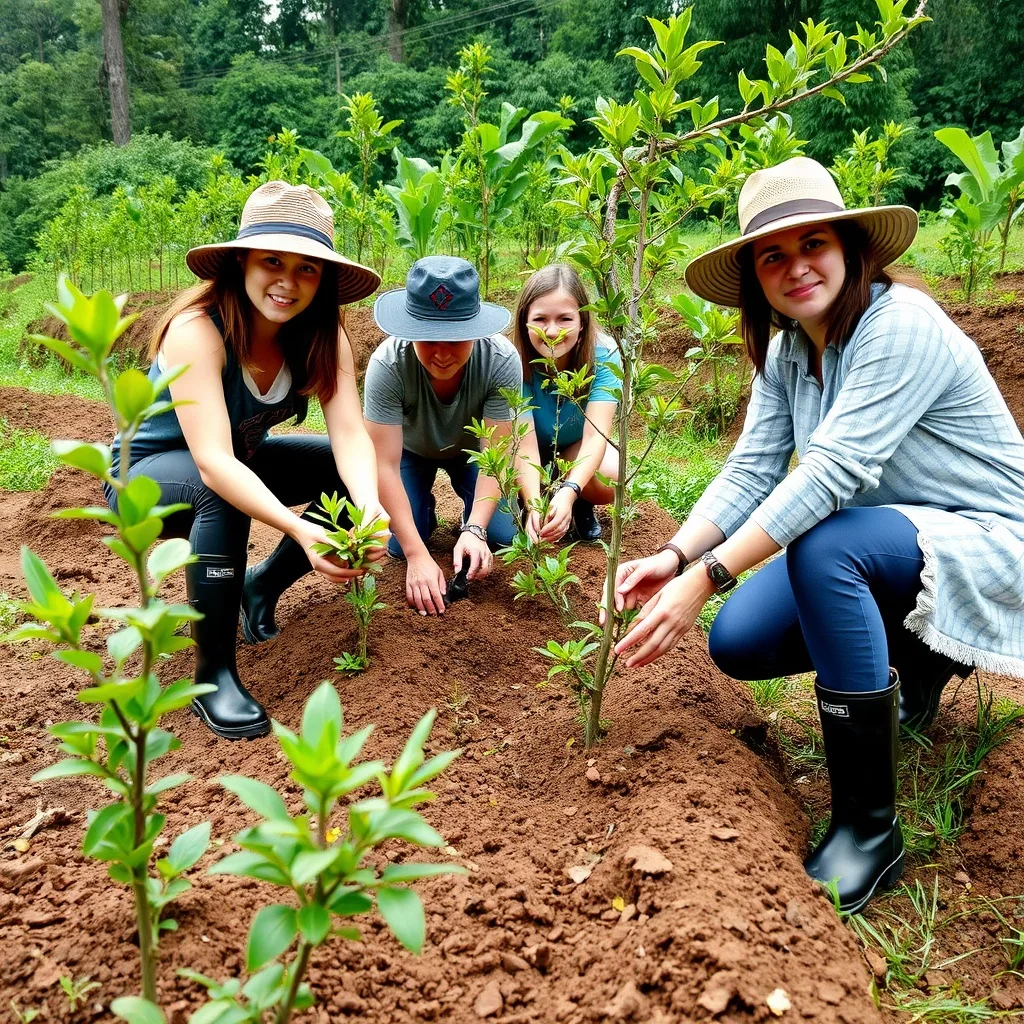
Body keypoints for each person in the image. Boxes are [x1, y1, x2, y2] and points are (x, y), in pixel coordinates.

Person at [608, 157, 1024, 913]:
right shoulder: (792, 350)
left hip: (992, 542)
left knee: (827, 547)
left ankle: (869, 828)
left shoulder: (900, 325)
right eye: (774, 255)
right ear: (756, 277)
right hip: (899, 542)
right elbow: (751, 468)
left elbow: (829, 475)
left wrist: (707, 578)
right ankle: (919, 660)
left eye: (814, 246)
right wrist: (676, 556)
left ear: (851, 250)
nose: (796, 267)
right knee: (739, 641)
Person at [103, 181, 389, 741]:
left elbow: (352, 435)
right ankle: (213, 678)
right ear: (241, 263)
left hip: (238, 459)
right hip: (147, 475)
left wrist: (371, 508)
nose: (288, 282)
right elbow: (213, 463)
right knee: (220, 491)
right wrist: (297, 529)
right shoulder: (198, 330)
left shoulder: (321, 333)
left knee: (341, 472)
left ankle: (260, 587)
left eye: (307, 269)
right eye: (272, 262)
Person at [364, 256, 521, 616]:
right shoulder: (387, 366)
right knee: (400, 547)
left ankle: (468, 522)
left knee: (503, 536)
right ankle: (424, 512)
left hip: (473, 454)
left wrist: (476, 530)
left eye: (456, 338)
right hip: (409, 453)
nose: (442, 353)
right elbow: (383, 465)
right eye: (428, 337)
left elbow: (496, 455)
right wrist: (418, 554)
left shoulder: (500, 360)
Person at [512, 264, 620, 543]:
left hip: (573, 447)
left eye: (564, 319)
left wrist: (571, 489)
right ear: (524, 322)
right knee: (497, 467)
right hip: (524, 448)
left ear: (582, 322)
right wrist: (534, 503)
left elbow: (597, 435)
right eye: (540, 319)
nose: (551, 331)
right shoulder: (511, 361)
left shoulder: (604, 356)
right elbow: (523, 443)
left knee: (612, 476)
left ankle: (580, 500)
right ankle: (525, 504)